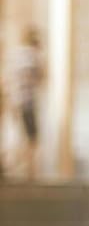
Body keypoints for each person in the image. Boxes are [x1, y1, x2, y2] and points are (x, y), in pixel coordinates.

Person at [9, 26, 44, 181]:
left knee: (24, 137)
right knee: (31, 139)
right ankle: (27, 171)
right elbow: (39, 77)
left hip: (18, 101)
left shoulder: (17, 55)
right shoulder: (31, 56)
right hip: (27, 102)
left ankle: (24, 170)